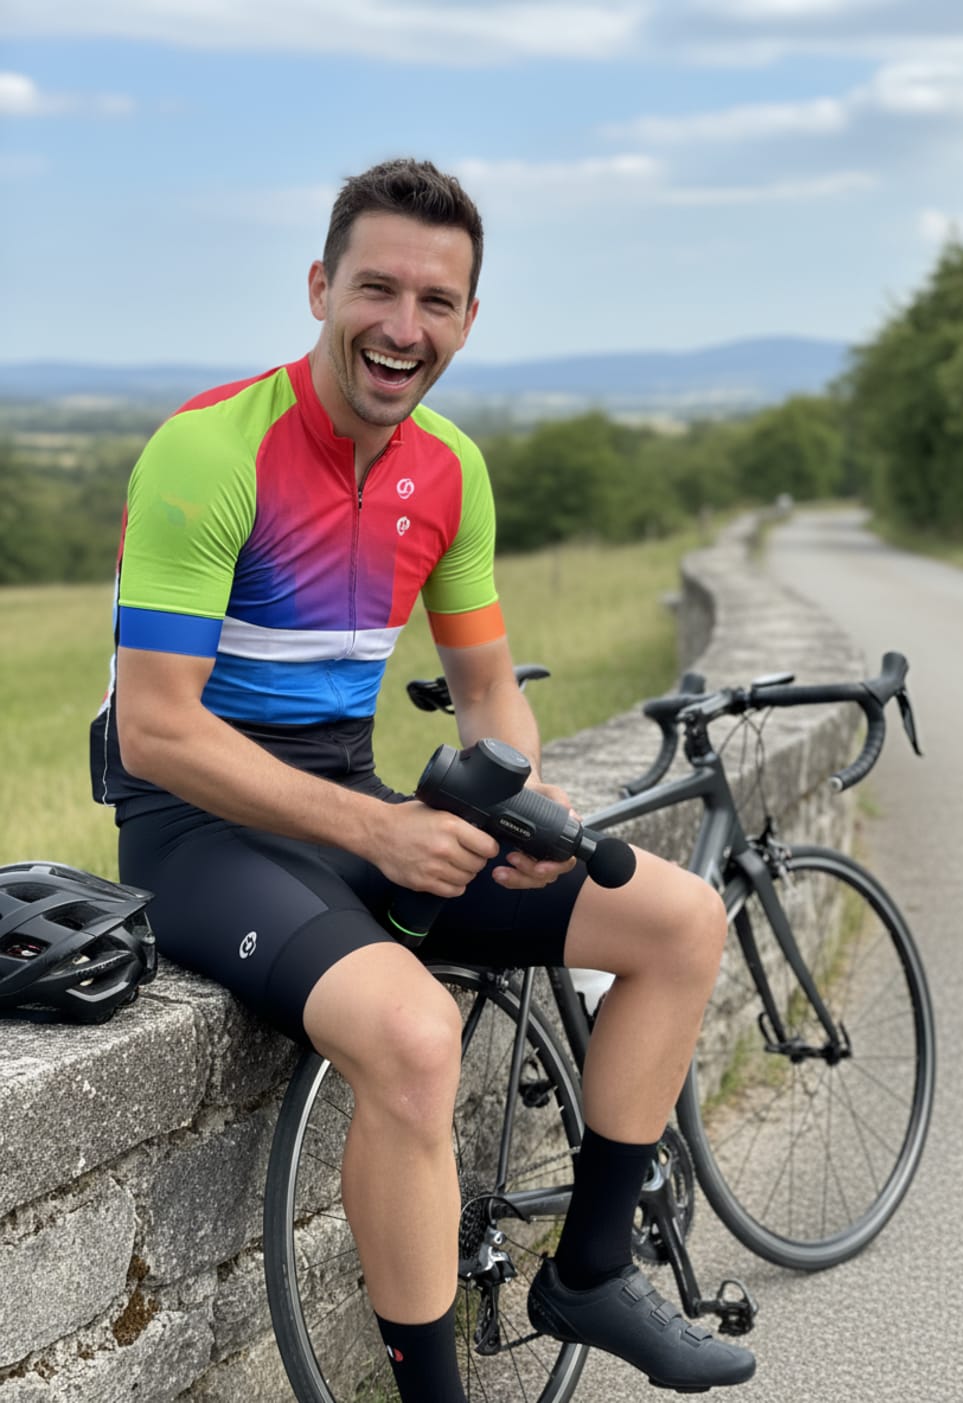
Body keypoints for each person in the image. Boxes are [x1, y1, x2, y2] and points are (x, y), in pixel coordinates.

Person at [90, 157, 755, 1400]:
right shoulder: (208, 452)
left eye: (435, 301)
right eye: (377, 290)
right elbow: (158, 732)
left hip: (353, 800)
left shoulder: (448, 467)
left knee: (677, 919)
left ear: (468, 319)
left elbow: (488, 683)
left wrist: (525, 803)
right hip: (199, 829)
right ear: (319, 288)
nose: (403, 327)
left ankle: (591, 1270)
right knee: (412, 1032)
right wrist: (378, 831)